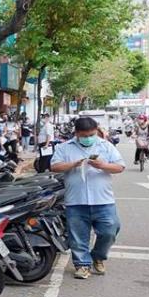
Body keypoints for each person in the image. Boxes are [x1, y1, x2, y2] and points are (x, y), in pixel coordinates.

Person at [51, 117, 125, 280]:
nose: (88, 138)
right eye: (84, 135)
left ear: (96, 131)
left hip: (103, 200)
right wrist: (73, 164)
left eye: (91, 134)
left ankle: (98, 256)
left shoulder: (105, 146)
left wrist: (103, 165)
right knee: (78, 236)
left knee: (110, 231)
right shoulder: (64, 148)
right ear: (77, 133)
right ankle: (82, 265)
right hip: (76, 201)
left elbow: (120, 166)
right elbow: (54, 166)